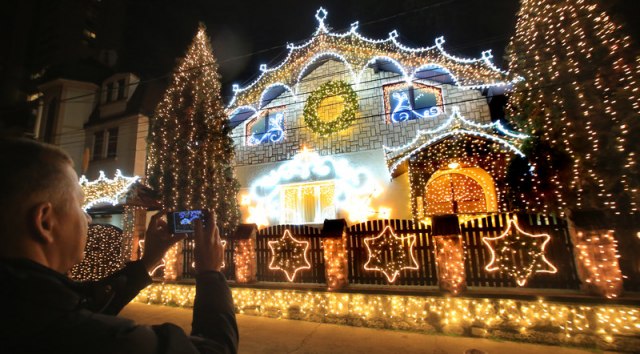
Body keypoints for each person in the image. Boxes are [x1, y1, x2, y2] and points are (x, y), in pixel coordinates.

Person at [0, 137, 238, 353]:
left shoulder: (22, 307)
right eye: (80, 206)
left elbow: (92, 304)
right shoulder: (104, 340)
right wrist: (209, 274)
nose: (89, 218)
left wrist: (147, 261)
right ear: (45, 221)